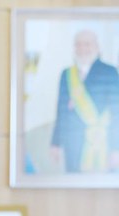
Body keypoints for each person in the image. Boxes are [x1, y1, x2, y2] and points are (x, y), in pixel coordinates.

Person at [50, 29, 119, 173]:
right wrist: (55, 143)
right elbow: (61, 111)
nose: (82, 48)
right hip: (73, 146)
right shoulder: (66, 74)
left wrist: (116, 149)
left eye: (87, 44)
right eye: (78, 44)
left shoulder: (110, 72)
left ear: (97, 47)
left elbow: (116, 112)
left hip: (104, 145)